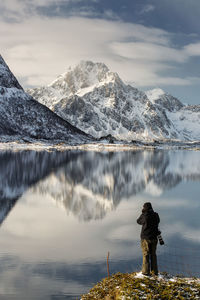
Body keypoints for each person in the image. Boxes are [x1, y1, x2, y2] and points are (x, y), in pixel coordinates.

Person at [137, 202, 160, 276]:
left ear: (145, 208)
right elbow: (158, 221)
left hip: (145, 238)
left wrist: (143, 213)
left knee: (146, 254)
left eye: (143, 207)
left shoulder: (145, 215)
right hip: (154, 238)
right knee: (153, 254)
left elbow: (138, 221)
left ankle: (146, 272)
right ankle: (155, 271)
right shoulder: (156, 215)